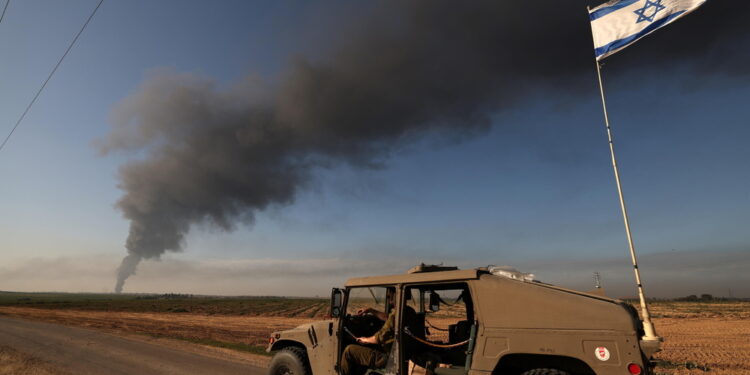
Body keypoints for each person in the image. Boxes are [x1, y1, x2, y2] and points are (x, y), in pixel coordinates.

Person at [340, 291, 398, 375]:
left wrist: (364, 340)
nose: (390, 301)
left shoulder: (395, 315)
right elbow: (387, 318)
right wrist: (371, 310)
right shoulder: (405, 311)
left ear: (395, 298)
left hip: (389, 357)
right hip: (396, 352)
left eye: (391, 298)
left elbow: (379, 338)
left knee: (349, 351)